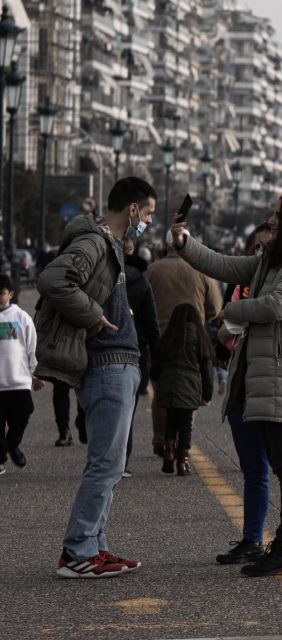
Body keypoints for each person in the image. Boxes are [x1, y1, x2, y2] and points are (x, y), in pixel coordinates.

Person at [170, 194, 282, 577]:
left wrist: (231, 311)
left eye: (277, 215)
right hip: (269, 374)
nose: (270, 220)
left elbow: (277, 305)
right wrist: (185, 243)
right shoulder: (273, 259)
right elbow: (225, 265)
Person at [36, 176, 156, 578]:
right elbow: (53, 280)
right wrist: (93, 314)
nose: (149, 223)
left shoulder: (114, 245)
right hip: (106, 364)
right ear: (133, 209)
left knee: (112, 465)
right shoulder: (94, 241)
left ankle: (95, 546)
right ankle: (78, 551)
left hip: (119, 362)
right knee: (105, 464)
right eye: (148, 214)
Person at [214, 224, 282, 568]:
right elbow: (224, 319)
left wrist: (234, 316)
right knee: (256, 469)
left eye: (268, 242)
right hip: (245, 379)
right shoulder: (247, 276)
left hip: (273, 381)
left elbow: (274, 309)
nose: (263, 250)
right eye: (258, 247)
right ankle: (253, 539)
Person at [145, 228, 223, 458]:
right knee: (190, 392)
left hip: (160, 340)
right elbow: (215, 308)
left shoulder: (152, 270)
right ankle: (182, 443)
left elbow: (140, 305)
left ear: (165, 245)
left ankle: (161, 440)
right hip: (193, 339)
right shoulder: (202, 271)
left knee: (160, 392)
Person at [151, 303, 214, 476]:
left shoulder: (168, 337)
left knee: (171, 420)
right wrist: (207, 394)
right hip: (190, 387)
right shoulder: (200, 339)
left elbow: (155, 368)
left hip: (169, 386)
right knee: (185, 424)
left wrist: (157, 384)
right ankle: (182, 461)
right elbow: (207, 371)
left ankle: (169, 452)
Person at [122, 239, 160, 477]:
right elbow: (150, 320)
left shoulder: (101, 275)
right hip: (135, 348)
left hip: (102, 347)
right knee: (128, 408)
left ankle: (102, 459)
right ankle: (122, 461)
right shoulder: (140, 280)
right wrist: (157, 352)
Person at [0, 274, 44, 476]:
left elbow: (31, 347)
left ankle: (12, 443)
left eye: (1, 293)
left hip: (18, 381)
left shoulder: (21, 317)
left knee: (24, 412)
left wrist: (36, 374)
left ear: (10, 294)